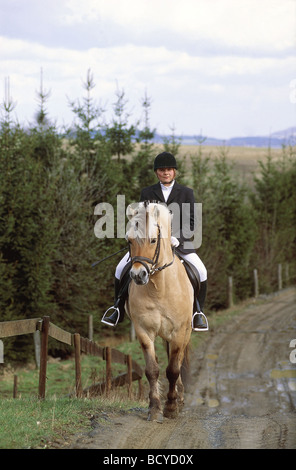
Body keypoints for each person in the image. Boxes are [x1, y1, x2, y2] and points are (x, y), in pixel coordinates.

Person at [101, 151, 209, 331]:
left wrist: (177, 238)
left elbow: (192, 222)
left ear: (174, 172)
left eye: (169, 169)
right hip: (149, 245)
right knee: (121, 268)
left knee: (201, 271)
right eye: (161, 170)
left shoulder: (186, 193)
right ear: (156, 172)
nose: (165, 173)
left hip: (179, 243)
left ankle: (198, 313)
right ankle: (117, 307)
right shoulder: (148, 192)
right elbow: (142, 219)